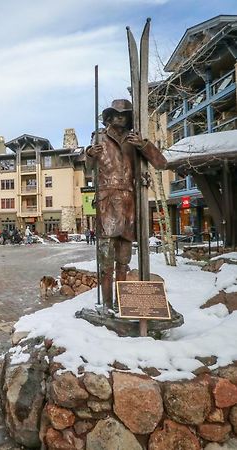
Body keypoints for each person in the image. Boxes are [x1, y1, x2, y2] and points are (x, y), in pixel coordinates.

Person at [86, 99, 166, 311]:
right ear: (109, 117)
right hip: (106, 203)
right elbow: (87, 168)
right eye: (116, 114)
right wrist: (88, 155)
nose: (120, 117)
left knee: (123, 259)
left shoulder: (135, 139)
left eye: (125, 114)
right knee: (105, 262)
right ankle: (107, 304)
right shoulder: (99, 137)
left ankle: (123, 304)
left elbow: (161, 163)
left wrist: (144, 145)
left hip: (129, 205)